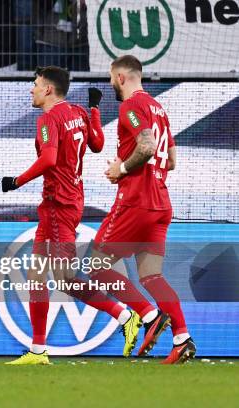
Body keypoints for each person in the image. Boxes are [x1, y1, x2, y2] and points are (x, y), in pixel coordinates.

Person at [1, 66, 141, 365]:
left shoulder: (48, 119)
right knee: (37, 276)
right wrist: (93, 110)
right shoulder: (77, 111)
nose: (32, 89)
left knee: (65, 278)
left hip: (58, 205)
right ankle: (38, 350)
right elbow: (97, 144)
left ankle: (123, 313)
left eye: (35, 84)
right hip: (69, 200)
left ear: (48, 89)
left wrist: (16, 181)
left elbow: (49, 158)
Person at [87, 55, 196, 364]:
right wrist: (126, 165)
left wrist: (121, 167)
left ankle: (148, 316)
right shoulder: (159, 110)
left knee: (96, 266)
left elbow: (146, 147)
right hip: (161, 202)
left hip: (137, 200)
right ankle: (182, 338)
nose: (111, 85)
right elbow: (170, 160)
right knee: (152, 277)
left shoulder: (132, 106)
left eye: (111, 79)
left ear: (121, 77)